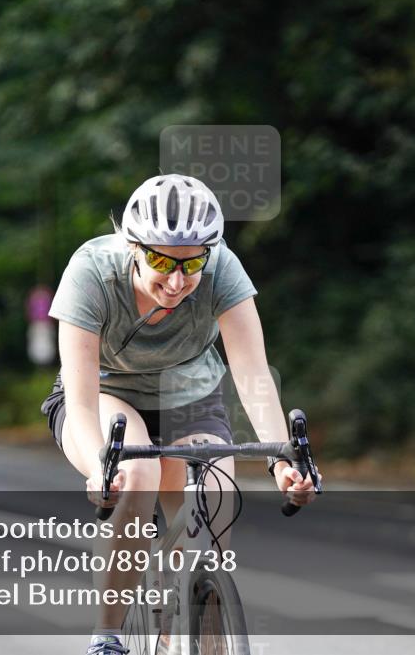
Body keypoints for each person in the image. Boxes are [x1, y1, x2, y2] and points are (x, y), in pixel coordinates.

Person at [40, 174, 321, 655]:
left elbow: (252, 373)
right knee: (138, 471)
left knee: (213, 503)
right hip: (108, 395)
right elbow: (82, 399)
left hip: (189, 396)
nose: (176, 281)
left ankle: (192, 623)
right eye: (159, 261)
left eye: (191, 263)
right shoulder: (90, 273)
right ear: (133, 246)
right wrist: (97, 467)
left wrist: (281, 462)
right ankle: (106, 636)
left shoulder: (223, 270)